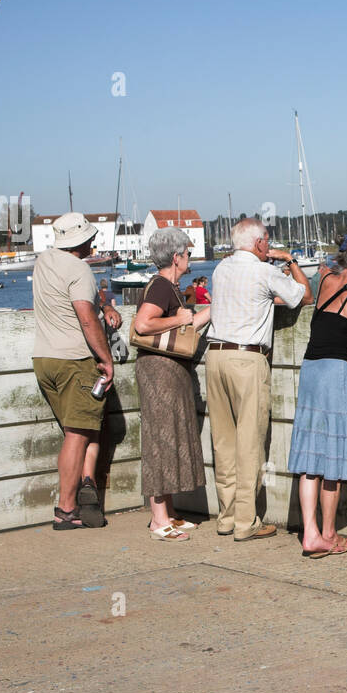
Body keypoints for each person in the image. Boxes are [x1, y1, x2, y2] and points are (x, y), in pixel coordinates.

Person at [206, 217, 313, 541]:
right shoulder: (265, 270)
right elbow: (303, 297)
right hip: (246, 359)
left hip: (214, 355)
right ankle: (245, 521)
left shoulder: (220, 269)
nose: (269, 245)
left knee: (223, 442)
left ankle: (225, 517)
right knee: (249, 441)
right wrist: (291, 261)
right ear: (259, 243)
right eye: (267, 240)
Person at [287, 232, 347, 558]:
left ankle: (310, 534)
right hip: (337, 374)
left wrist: (292, 263)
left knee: (310, 457)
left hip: (311, 369)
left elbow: (307, 286)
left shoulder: (326, 277)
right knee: (333, 457)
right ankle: (328, 533)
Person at [30, 211, 123, 529]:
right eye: (91, 237)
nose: (94, 241)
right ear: (81, 240)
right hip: (75, 361)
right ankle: (66, 510)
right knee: (77, 434)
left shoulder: (44, 261)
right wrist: (107, 360)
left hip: (44, 359)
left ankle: (86, 487)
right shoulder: (80, 269)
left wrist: (105, 303)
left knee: (84, 430)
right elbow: (85, 318)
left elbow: (71, 297)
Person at [132, 228, 213, 541]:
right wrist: (179, 319)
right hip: (159, 373)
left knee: (169, 437)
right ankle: (158, 519)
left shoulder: (170, 287)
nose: (190, 257)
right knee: (160, 440)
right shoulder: (161, 287)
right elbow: (143, 323)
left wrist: (214, 309)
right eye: (188, 253)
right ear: (177, 257)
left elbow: (190, 322)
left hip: (168, 372)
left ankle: (168, 512)